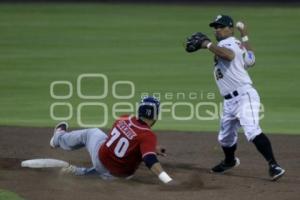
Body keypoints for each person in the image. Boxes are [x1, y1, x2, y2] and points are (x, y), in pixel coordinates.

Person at [185, 15, 285, 181]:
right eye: (215, 27)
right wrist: (244, 34)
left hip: (244, 96)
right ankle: (230, 161)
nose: (217, 29)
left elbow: (229, 55)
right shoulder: (238, 43)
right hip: (230, 101)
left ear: (230, 29)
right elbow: (251, 61)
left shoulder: (227, 43)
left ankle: (274, 165)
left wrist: (207, 44)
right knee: (225, 138)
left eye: (221, 26)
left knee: (252, 130)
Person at [50, 96, 174, 184]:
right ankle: (80, 172)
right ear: (155, 115)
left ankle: (58, 138)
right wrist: (168, 180)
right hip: (120, 177)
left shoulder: (124, 118)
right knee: (122, 161)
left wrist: (150, 148)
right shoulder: (148, 136)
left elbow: (127, 139)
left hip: (100, 160)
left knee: (91, 133)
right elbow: (149, 160)